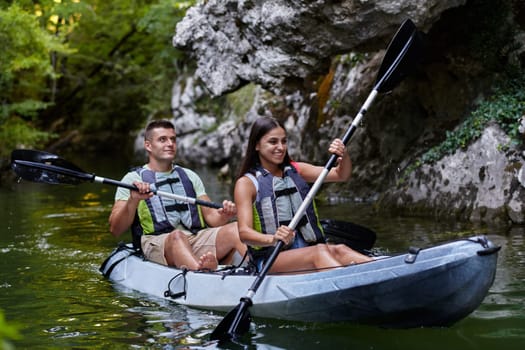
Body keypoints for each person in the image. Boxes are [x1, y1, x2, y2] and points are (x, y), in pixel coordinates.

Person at [234, 116, 372, 274]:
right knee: (319, 252)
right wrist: (272, 239)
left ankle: (384, 270)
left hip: (308, 250)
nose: (280, 147)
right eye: (273, 142)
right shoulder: (246, 184)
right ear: (257, 145)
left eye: (284, 141)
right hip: (270, 259)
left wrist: (344, 155)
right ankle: (350, 283)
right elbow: (244, 233)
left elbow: (341, 175)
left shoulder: (296, 170)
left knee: (339, 249)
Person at [109, 119, 247, 271]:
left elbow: (212, 219)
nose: (170, 144)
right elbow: (116, 229)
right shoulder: (131, 180)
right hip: (158, 241)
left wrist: (225, 215)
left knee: (235, 228)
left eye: (173, 139)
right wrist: (133, 200)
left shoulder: (189, 176)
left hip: (195, 238)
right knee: (177, 236)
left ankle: (261, 270)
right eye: (163, 139)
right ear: (148, 145)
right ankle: (203, 273)